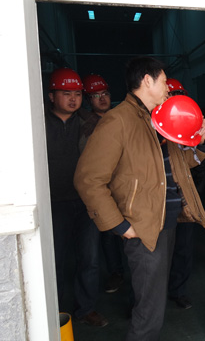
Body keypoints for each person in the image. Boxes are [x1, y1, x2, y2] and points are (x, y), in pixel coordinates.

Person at [74, 57, 205, 341]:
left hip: (166, 221)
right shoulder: (118, 121)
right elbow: (88, 179)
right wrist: (120, 225)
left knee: (151, 299)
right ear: (147, 81)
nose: (168, 88)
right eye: (164, 81)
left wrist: (199, 144)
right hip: (143, 226)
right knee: (150, 309)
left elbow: (178, 164)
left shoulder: (157, 119)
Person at [44, 68, 108, 327]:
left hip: (85, 201)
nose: (73, 99)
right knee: (55, 260)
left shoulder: (91, 123)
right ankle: (54, 312)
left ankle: (86, 308)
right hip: (53, 202)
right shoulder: (37, 122)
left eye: (78, 94)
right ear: (51, 96)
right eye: (66, 93)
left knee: (89, 258)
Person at [82, 73, 125, 294]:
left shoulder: (120, 119)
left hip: (122, 187)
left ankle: (125, 275)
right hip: (100, 189)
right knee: (106, 235)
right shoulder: (85, 125)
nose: (102, 98)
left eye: (105, 93)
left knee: (125, 236)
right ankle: (115, 273)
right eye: (96, 95)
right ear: (89, 100)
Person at [165, 77, 196, 309]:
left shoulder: (190, 124)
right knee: (155, 254)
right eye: (170, 95)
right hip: (159, 200)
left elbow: (193, 160)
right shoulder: (151, 126)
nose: (174, 100)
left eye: (178, 95)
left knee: (183, 248)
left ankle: (178, 291)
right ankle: (145, 301)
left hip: (183, 197)